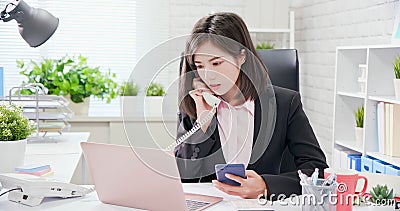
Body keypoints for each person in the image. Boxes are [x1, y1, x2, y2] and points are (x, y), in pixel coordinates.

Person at [174, 12, 328, 200]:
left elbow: (317, 170)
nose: (209, 75)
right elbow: (182, 176)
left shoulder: (285, 104)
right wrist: (203, 124)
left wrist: (266, 185)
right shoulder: (195, 104)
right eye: (200, 65)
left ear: (241, 57)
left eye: (216, 63)